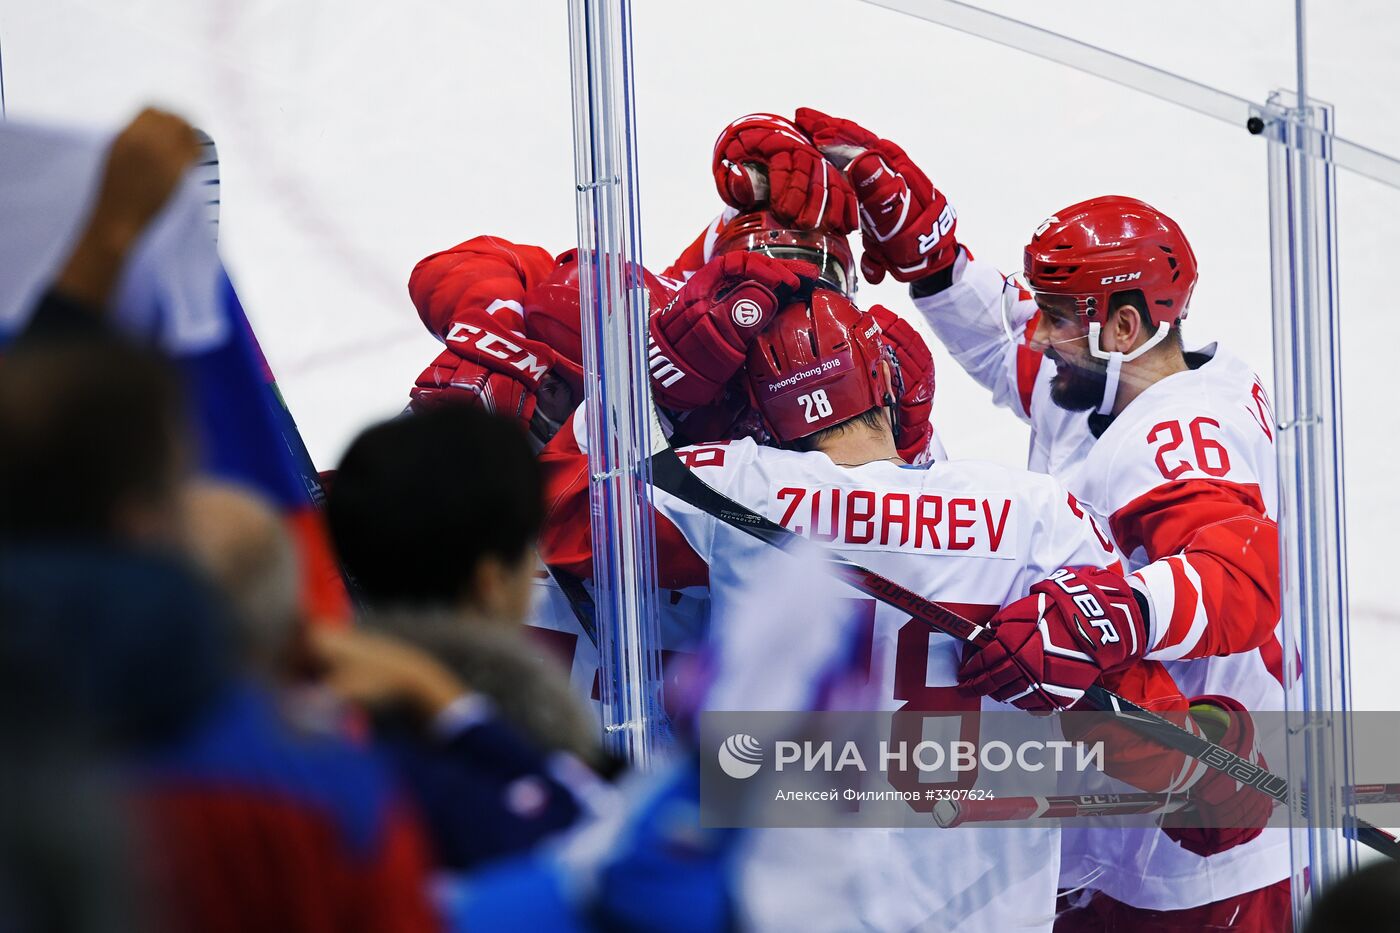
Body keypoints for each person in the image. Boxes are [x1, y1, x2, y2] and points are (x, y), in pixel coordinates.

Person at [536, 262, 1241, 931]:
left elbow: (561, 510)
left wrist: (659, 379)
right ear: (884, 385)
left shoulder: (736, 483)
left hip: (796, 909)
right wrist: (1220, 751)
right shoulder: (1036, 512)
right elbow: (1182, 772)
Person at [791, 109, 1288, 927]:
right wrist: (933, 256)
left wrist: (1117, 609)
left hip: (1195, 851)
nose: (1039, 328)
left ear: (1125, 326)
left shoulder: (1182, 435)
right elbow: (1000, 342)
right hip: (1131, 803)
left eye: (1059, 315)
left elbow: (1238, 573)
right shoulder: (1110, 382)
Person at [323, 404, 601, 869]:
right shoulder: (511, 779)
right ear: (490, 582)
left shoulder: (326, 735)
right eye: (525, 550)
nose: (536, 567)